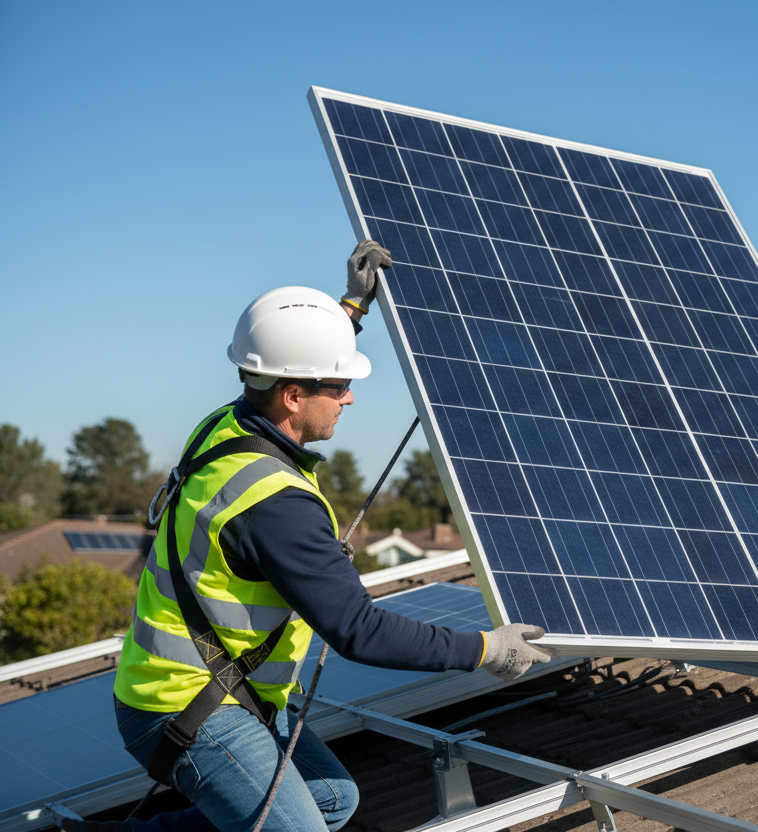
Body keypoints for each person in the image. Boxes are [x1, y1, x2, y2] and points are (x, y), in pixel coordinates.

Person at [61, 242, 556, 832]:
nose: (349, 395)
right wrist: (486, 651)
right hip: (188, 704)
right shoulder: (277, 507)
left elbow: (283, 361)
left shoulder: (229, 424)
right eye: (338, 383)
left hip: (221, 687)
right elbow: (360, 632)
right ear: (293, 396)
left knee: (332, 800)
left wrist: (348, 311)